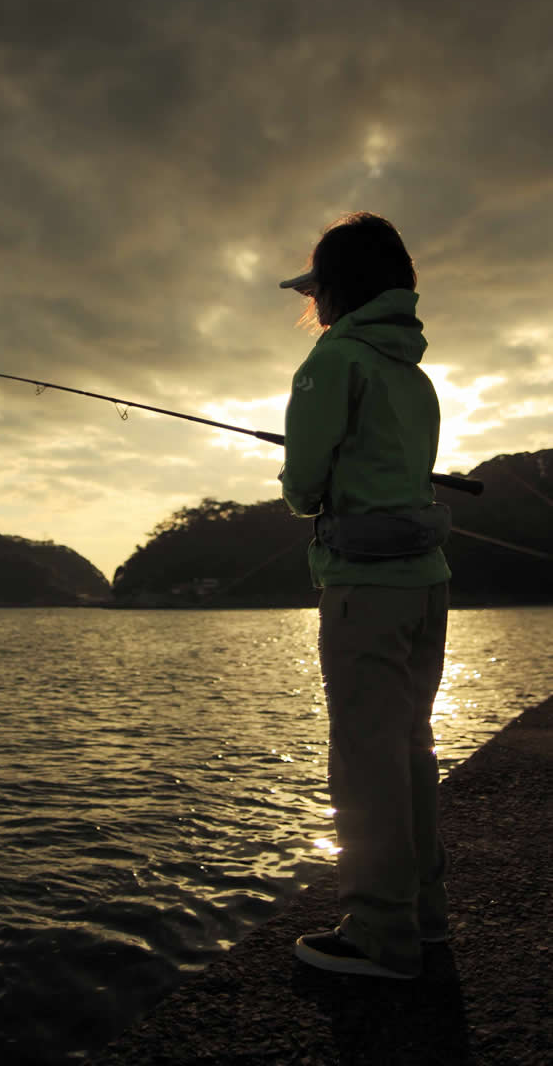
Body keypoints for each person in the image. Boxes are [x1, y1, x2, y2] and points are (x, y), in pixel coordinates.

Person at [279, 212, 451, 980]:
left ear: (334, 289)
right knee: (410, 747)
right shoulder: (413, 375)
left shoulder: (332, 360)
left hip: (364, 591)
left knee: (363, 756)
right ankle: (422, 914)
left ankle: (379, 935)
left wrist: (300, 477)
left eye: (315, 289)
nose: (311, 304)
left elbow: (302, 486)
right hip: (426, 586)